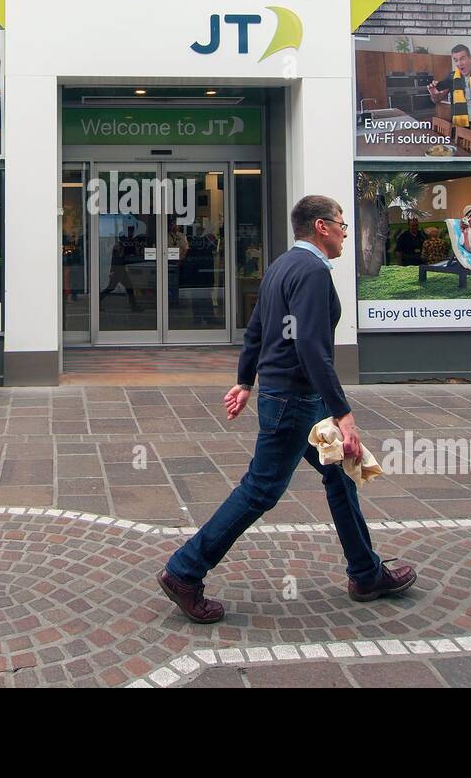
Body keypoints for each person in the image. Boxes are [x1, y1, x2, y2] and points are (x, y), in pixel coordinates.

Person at [158, 196, 418, 623]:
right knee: (260, 491)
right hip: (297, 401)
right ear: (321, 226)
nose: (345, 232)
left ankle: (366, 573)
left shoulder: (281, 266)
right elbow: (313, 349)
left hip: (290, 397)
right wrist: (344, 413)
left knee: (340, 476)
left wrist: (245, 381)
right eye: (341, 224)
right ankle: (185, 571)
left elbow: (257, 327)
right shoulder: (312, 271)